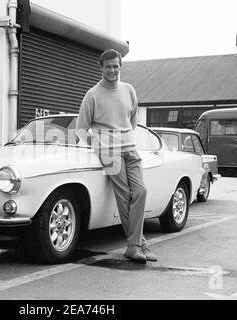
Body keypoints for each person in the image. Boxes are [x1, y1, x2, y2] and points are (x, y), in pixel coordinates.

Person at [75, 49, 157, 263]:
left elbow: (132, 119)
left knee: (140, 192)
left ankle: (139, 243)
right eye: (108, 66)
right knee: (124, 196)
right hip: (109, 153)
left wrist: (124, 138)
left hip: (131, 149)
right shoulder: (92, 95)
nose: (112, 70)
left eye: (116, 66)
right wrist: (100, 148)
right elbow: (81, 129)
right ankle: (135, 246)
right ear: (101, 68)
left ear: (121, 67)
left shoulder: (129, 90)